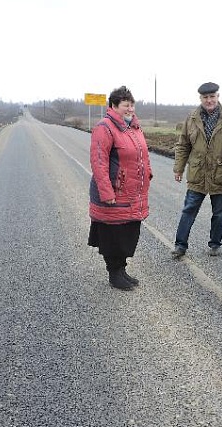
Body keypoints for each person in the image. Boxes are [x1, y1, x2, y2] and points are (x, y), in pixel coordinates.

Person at [88, 86, 153, 290]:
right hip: (114, 193)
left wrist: (148, 174)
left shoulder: (134, 127)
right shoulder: (104, 127)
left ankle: (122, 270)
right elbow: (99, 162)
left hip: (132, 193)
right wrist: (106, 192)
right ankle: (114, 273)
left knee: (127, 234)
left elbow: (143, 156)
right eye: (126, 105)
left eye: (132, 104)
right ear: (114, 106)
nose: (130, 109)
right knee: (113, 236)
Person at [171, 82, 222, 259]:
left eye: (212, 96)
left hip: (221, 173)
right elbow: (183, 145)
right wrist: (179, 168)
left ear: (218, 96)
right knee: (189, 210)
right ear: (201, 98)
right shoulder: (192, 118)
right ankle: (180, 245)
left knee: (219, 213)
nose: (209, 100)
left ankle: (215, 244)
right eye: (205, 97)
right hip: (198, 173)